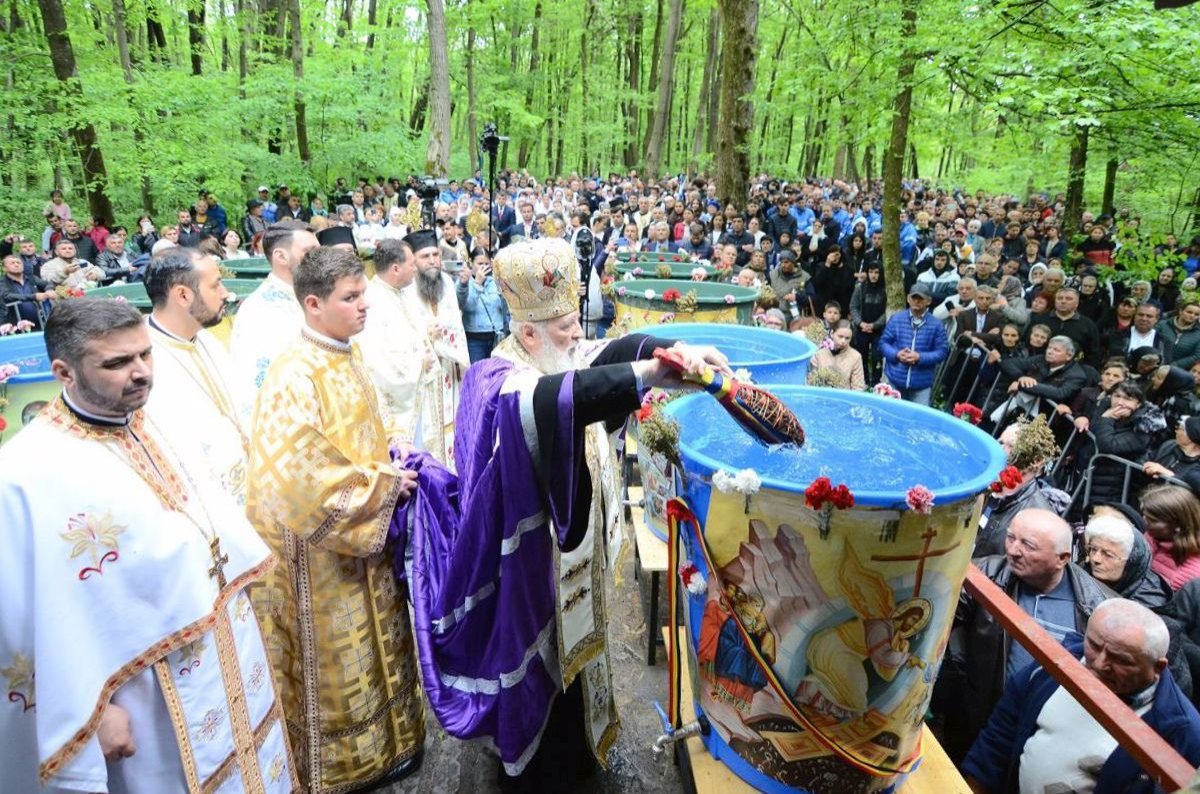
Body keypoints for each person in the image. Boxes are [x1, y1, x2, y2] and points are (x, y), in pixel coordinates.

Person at [394, 237, 728, 792]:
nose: (578, 335)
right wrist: (646, 377)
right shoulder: (497, 379)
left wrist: (679, 351)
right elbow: (548, 401)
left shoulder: (557, 352)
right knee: (547, 686)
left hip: (574, 566)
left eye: (575, 321)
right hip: (529, 578)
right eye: (565, 326)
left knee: (581, 671)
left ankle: (580, 756)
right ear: (528, 333)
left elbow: (608, 354)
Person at [0, 299, 299, 792]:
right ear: (64, 372)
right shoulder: (23, 477)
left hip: (228, 655)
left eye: (145, 355)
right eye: (117, 363)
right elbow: (17, 624)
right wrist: (90, 716)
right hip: (144, 697)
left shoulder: (157, 418)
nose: (140, 373)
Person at [247, 246, 424, 793]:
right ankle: (346, 769)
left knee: (382, 647)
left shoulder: (346, 353)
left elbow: (368, 423)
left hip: (368, 536)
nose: (365, 305)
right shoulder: (292, 374)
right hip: (323, 558)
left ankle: (395, 744)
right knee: (341, 665)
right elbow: (295, 477)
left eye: (364, 293)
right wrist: (384, 488)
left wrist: (394, 447)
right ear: (314, 303)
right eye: (351, 298)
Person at [961, 599, 1200, 794]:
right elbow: (997, 740)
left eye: (1121, 660)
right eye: (1094, 645)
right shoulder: (1052, 666)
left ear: (1158, 667)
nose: (1099, 663)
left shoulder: (1180, 732)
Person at [939, 508, 1114, 759]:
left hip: (1048, 735)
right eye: (1011, 538)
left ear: (1062, 558)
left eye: (1028, 546)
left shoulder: (1096, 607)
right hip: (981, 721)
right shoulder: (985, 574)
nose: (1012, 550)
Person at [142, 247, 250, 505]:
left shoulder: (206, 339)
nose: (226, 294)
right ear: (182, 295)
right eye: (216, 286)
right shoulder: (144, 363)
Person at [228, 221, 319, 411]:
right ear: (281, 257)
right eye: (309, 252)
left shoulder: (316, 294)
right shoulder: (258, 312)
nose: (320, 258)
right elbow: (259, 386)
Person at [400, 229, 469, 465]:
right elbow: (404, 336)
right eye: (424, 256)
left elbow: (457, 326)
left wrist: (444, 335)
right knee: (429, 431)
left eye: (435, 255)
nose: (432, 261)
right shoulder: (406, 290)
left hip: (450, 370)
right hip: (425, 374)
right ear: (413, 262)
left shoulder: (447, 283)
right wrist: (427, 336)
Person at [1082, 506, 1172, 609]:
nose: (1095, 559)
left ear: (1131, 561)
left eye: (1108, 554)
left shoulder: (1147, 606)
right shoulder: (1081, 574)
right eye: (1093, 549)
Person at [878, 282, 950, 405]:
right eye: (913, 298)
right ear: (908, 299)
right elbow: (883, 343)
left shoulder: (936, 324)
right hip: (895, 380)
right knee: (891, 416)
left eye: (920, 298)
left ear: (928, 301)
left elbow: (942, 351)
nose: (916, 301)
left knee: (919, 421)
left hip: (921, 384)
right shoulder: (896, 319)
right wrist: (897, 354)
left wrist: (919, 357)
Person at [1142, 484, 1200, 590]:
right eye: (1145, 515)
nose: (1144, 520)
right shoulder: (1152, 536)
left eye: (1153, 520)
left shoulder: (1191, 576)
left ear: (1177, 525)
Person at [456, 245, 508, 362]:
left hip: (496, 337)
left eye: (486, 263)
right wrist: (477, 284)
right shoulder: (465, 282)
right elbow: (468, 306)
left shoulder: (495, 281)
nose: (483, 267)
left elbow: (505, 308)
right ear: (471, 263)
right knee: (478, 374)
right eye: (480, 264)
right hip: (475, 340)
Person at [808, 320, 866, 390]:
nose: (843, 341)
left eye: (847, 338)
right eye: (840, 336)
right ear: (832, 333)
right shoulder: (819, 354)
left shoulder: (855, 357)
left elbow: (858, 387)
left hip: (843, 397)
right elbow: (811, 381)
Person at [0, 253, 54, 327]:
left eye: (18, 262)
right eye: (12, 263)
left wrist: (49, 290)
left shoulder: (31, 278)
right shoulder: (2, 282)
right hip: (16, 325)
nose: (16, 265)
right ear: (4, 268)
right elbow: (6, 296)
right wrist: (33, 297)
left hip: (40, 322)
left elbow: (49, 284)